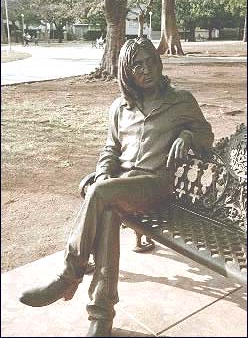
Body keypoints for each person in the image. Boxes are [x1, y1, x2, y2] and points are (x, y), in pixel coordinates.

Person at [19, 37, 214, 337]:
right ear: (127, 73)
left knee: (100, 194)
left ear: (158, 61)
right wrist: (102, 174)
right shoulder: (120, 109)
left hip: (155, 186)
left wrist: (188, 136)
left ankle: (69, 274)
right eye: (138, 66)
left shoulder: (181, 101)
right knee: (107, 210)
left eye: (150, 61)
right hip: (121, 188)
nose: (147, 69)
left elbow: (206, 135)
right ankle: (101, 318)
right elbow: (110, 149)